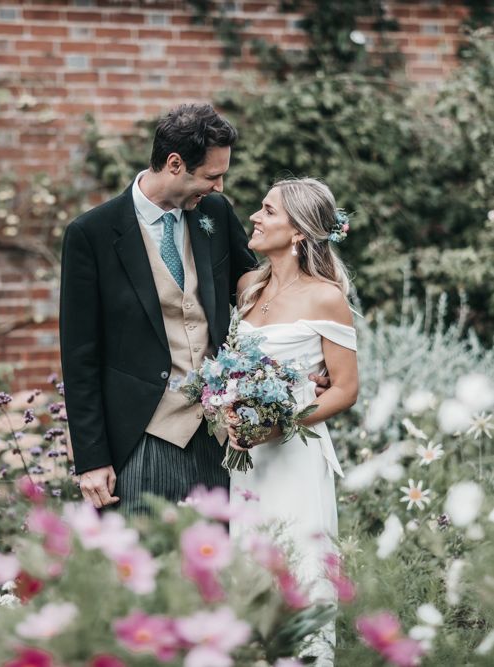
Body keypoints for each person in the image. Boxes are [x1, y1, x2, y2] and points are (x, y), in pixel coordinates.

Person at [59, 103, 256, 514]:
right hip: (144, 438)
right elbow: (79, 357)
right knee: (152, 568)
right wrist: (92, 460)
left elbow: (256, 291)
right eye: (211, 176)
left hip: (219, 436)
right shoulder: (91, 234)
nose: (219, 187)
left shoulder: (215, 214)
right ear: (174, 163)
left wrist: (303, 357)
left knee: (217, 569)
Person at [229, 177, 359, 666]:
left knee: (299, 574)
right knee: (247, 574)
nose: (256, 217)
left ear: (299, 232)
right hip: (244, 462)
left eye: (268, 211)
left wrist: (282, 423)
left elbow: (345, 388)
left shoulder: (325, 297)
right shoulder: (248, 288)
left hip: (294, 456)